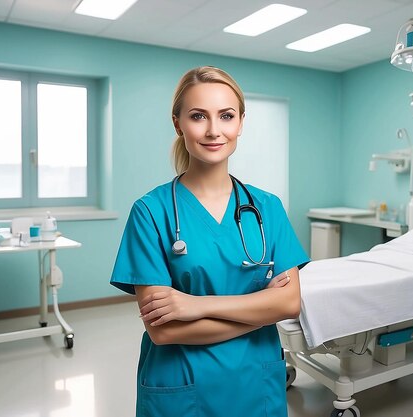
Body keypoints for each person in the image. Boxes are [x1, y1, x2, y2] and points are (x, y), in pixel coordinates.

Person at [110, 66, 309, 417]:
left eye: (227, 116)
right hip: (182, 385)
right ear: (178, 124)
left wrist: (196, 305)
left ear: (241, 123)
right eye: (199, 116)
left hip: (255, 382)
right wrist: (263, 307)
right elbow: (164, 331)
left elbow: (290, 304)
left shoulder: (268, 208)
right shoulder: (150, 212)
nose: (214, 130)